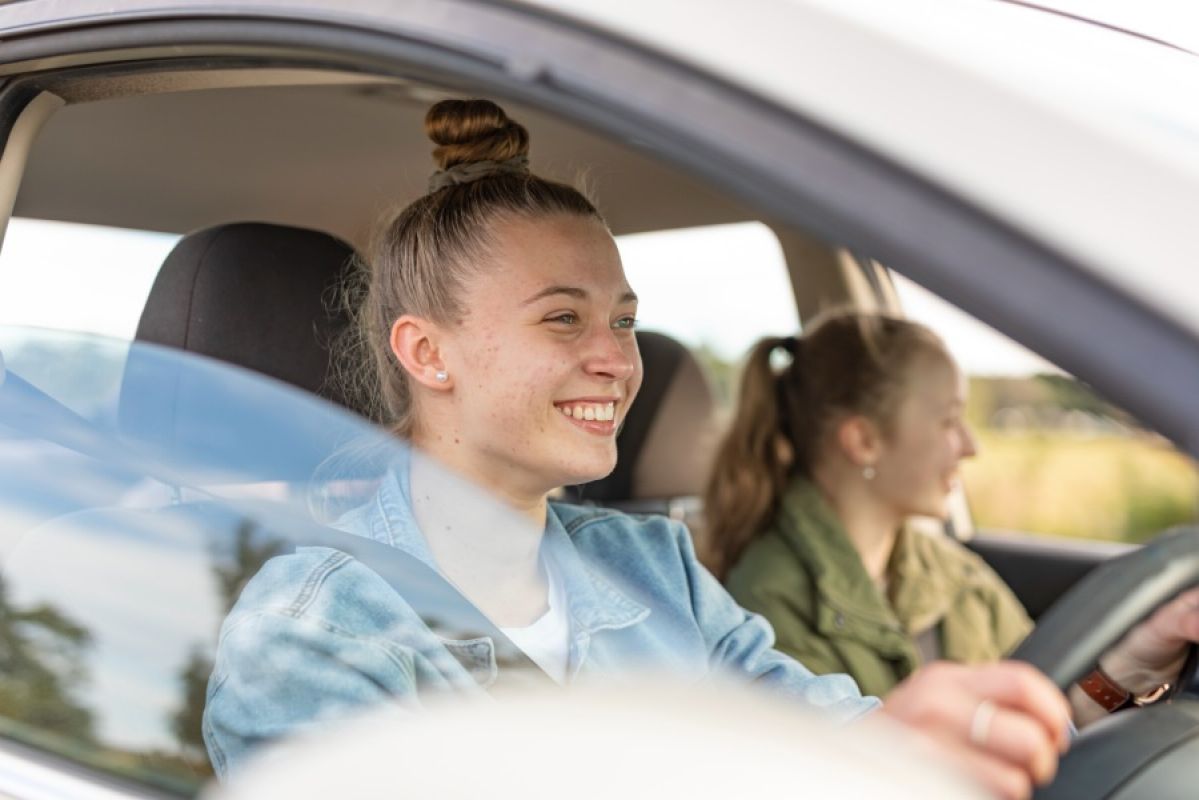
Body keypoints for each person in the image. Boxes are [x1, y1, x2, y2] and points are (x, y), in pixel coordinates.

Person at [202, 98, 1197, 800]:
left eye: (623, 320)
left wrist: (1115, 663)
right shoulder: (310, 627)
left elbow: (853, 743)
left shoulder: (652, 566)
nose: (615, 360)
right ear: (427, 352)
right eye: (562, 319)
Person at [705, 313, 1030, 699]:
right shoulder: (767, 606)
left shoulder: (955, 574)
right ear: (863, 441)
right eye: (949, 420)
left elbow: (1052, 701)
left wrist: (1109, 683)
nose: (970, 446)